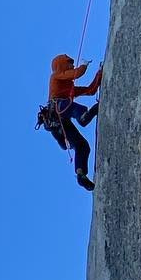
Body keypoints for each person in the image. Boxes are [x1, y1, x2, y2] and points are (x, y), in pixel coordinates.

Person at [39, 55, 103, 190]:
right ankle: (84, 117)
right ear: (61, 65)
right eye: (70, 63)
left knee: (82, 146)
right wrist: (84, 65)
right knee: (70, 106)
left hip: (58, 120)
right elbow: (76, 73)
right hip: (57, 109)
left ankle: (81, 175)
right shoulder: (56, 76)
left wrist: (99, 75)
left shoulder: (68, 88)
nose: (73, 66)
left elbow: (90, 91)